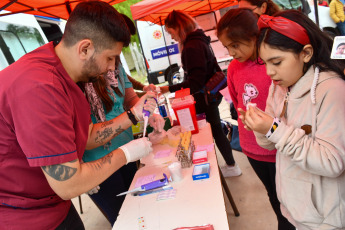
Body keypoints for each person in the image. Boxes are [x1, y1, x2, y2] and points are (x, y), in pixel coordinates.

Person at [0, 2, 157, 229]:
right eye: (110, 58)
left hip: (52, 205)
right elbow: (69, 185)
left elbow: (86, 135)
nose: (112, 68)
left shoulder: (63, 74)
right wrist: (127, 152)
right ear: (85, 49)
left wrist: (133, 116)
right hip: (25, 217)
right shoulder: (40, 87)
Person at [239, 10, 345, 229]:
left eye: (276, 62)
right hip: (293, 209)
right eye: (265, 63)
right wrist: (260, 127)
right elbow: (268, 144)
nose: (269, 72)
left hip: (324, 219)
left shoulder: (332, 90)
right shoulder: (280, 86)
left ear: (305, 53)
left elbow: (332, 162)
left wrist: (275, 128)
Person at [217, 8, 295, 230]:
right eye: (227, 47)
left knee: (290, 198)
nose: (232, 52)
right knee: (273, 194)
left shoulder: (273, 62)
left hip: (281, 147)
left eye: (235, 45)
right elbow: (236, 100)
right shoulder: (233, 68)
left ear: (254, 37)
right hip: (252, 148)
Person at [160, 10, 241, 177]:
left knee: (208, 133)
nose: (171, 37)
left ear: (178, 27)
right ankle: (230, 165)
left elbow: (195, 82)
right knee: (215, 131)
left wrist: (169, 89)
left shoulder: (192, 46)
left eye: (171, 32)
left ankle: (226, 166)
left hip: (203, 99)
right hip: (209, 96)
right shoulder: (199, 40)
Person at [82, 59, 164, 225]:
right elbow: (84, 136)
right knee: (123, 219)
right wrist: (78, 165)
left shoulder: (115, 66)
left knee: (141, 207)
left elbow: (130, 98)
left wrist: (147, 112)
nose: (112, 66)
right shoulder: (78, 78)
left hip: (128, 150)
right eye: (110, 57)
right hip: (98, 163)